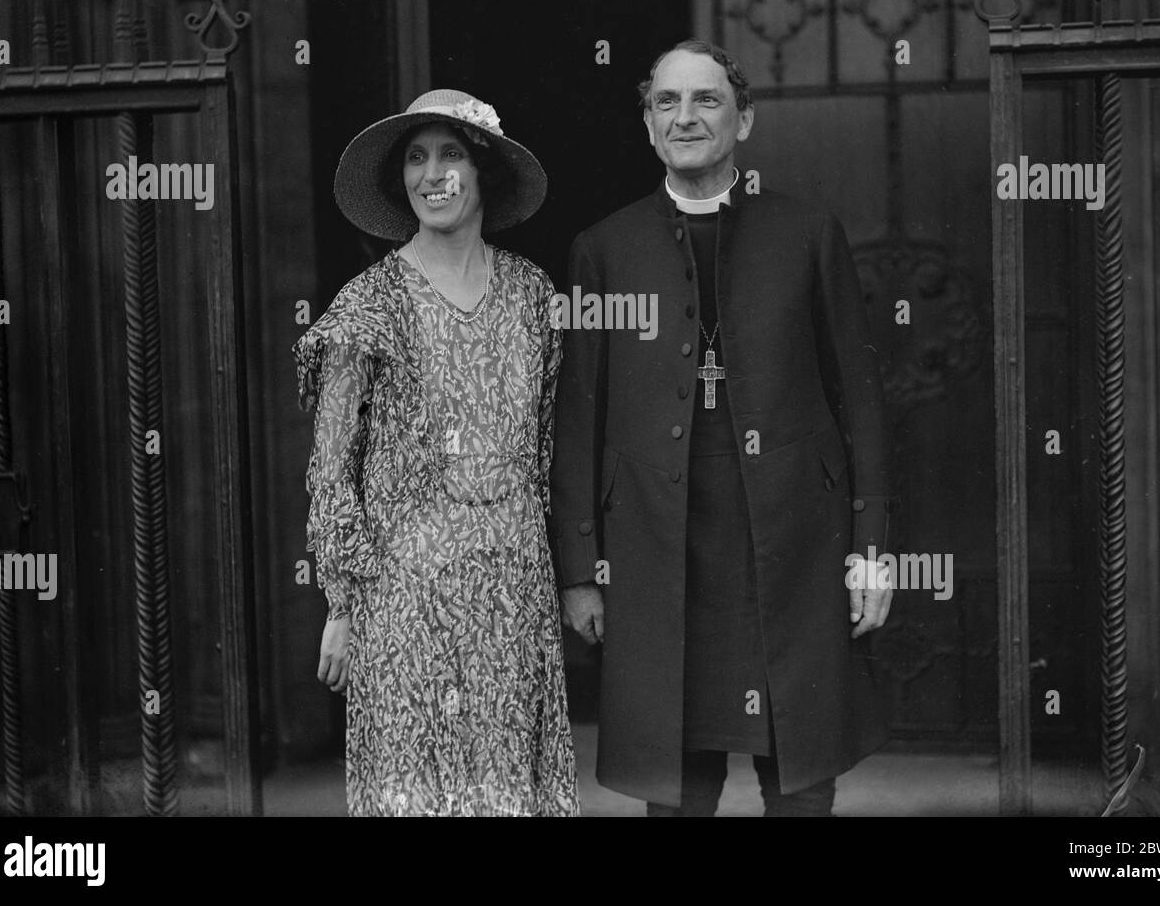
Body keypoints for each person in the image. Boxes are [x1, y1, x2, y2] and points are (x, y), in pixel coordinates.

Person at [550, 40, 895, 817]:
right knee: (676, 781)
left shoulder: (807, 232)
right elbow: (579, 416)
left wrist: (872, 551)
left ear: (744, 119)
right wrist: (578, 567)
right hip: (658, 546)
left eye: (706, 99)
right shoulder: (604, 249)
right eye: (666, 102)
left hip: (794, 543)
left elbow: (862, 400)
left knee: (801, 773)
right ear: (647, 125)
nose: (686, 116)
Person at [295, 89, 579, 817]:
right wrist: (342, 604)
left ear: (484, 172)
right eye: (416, 158)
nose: (433, 174)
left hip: (510, 598)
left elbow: (543, 453)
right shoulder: (369, 305)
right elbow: (332, 469)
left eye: (451, 154)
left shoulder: (533, 295)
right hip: (406, 600)